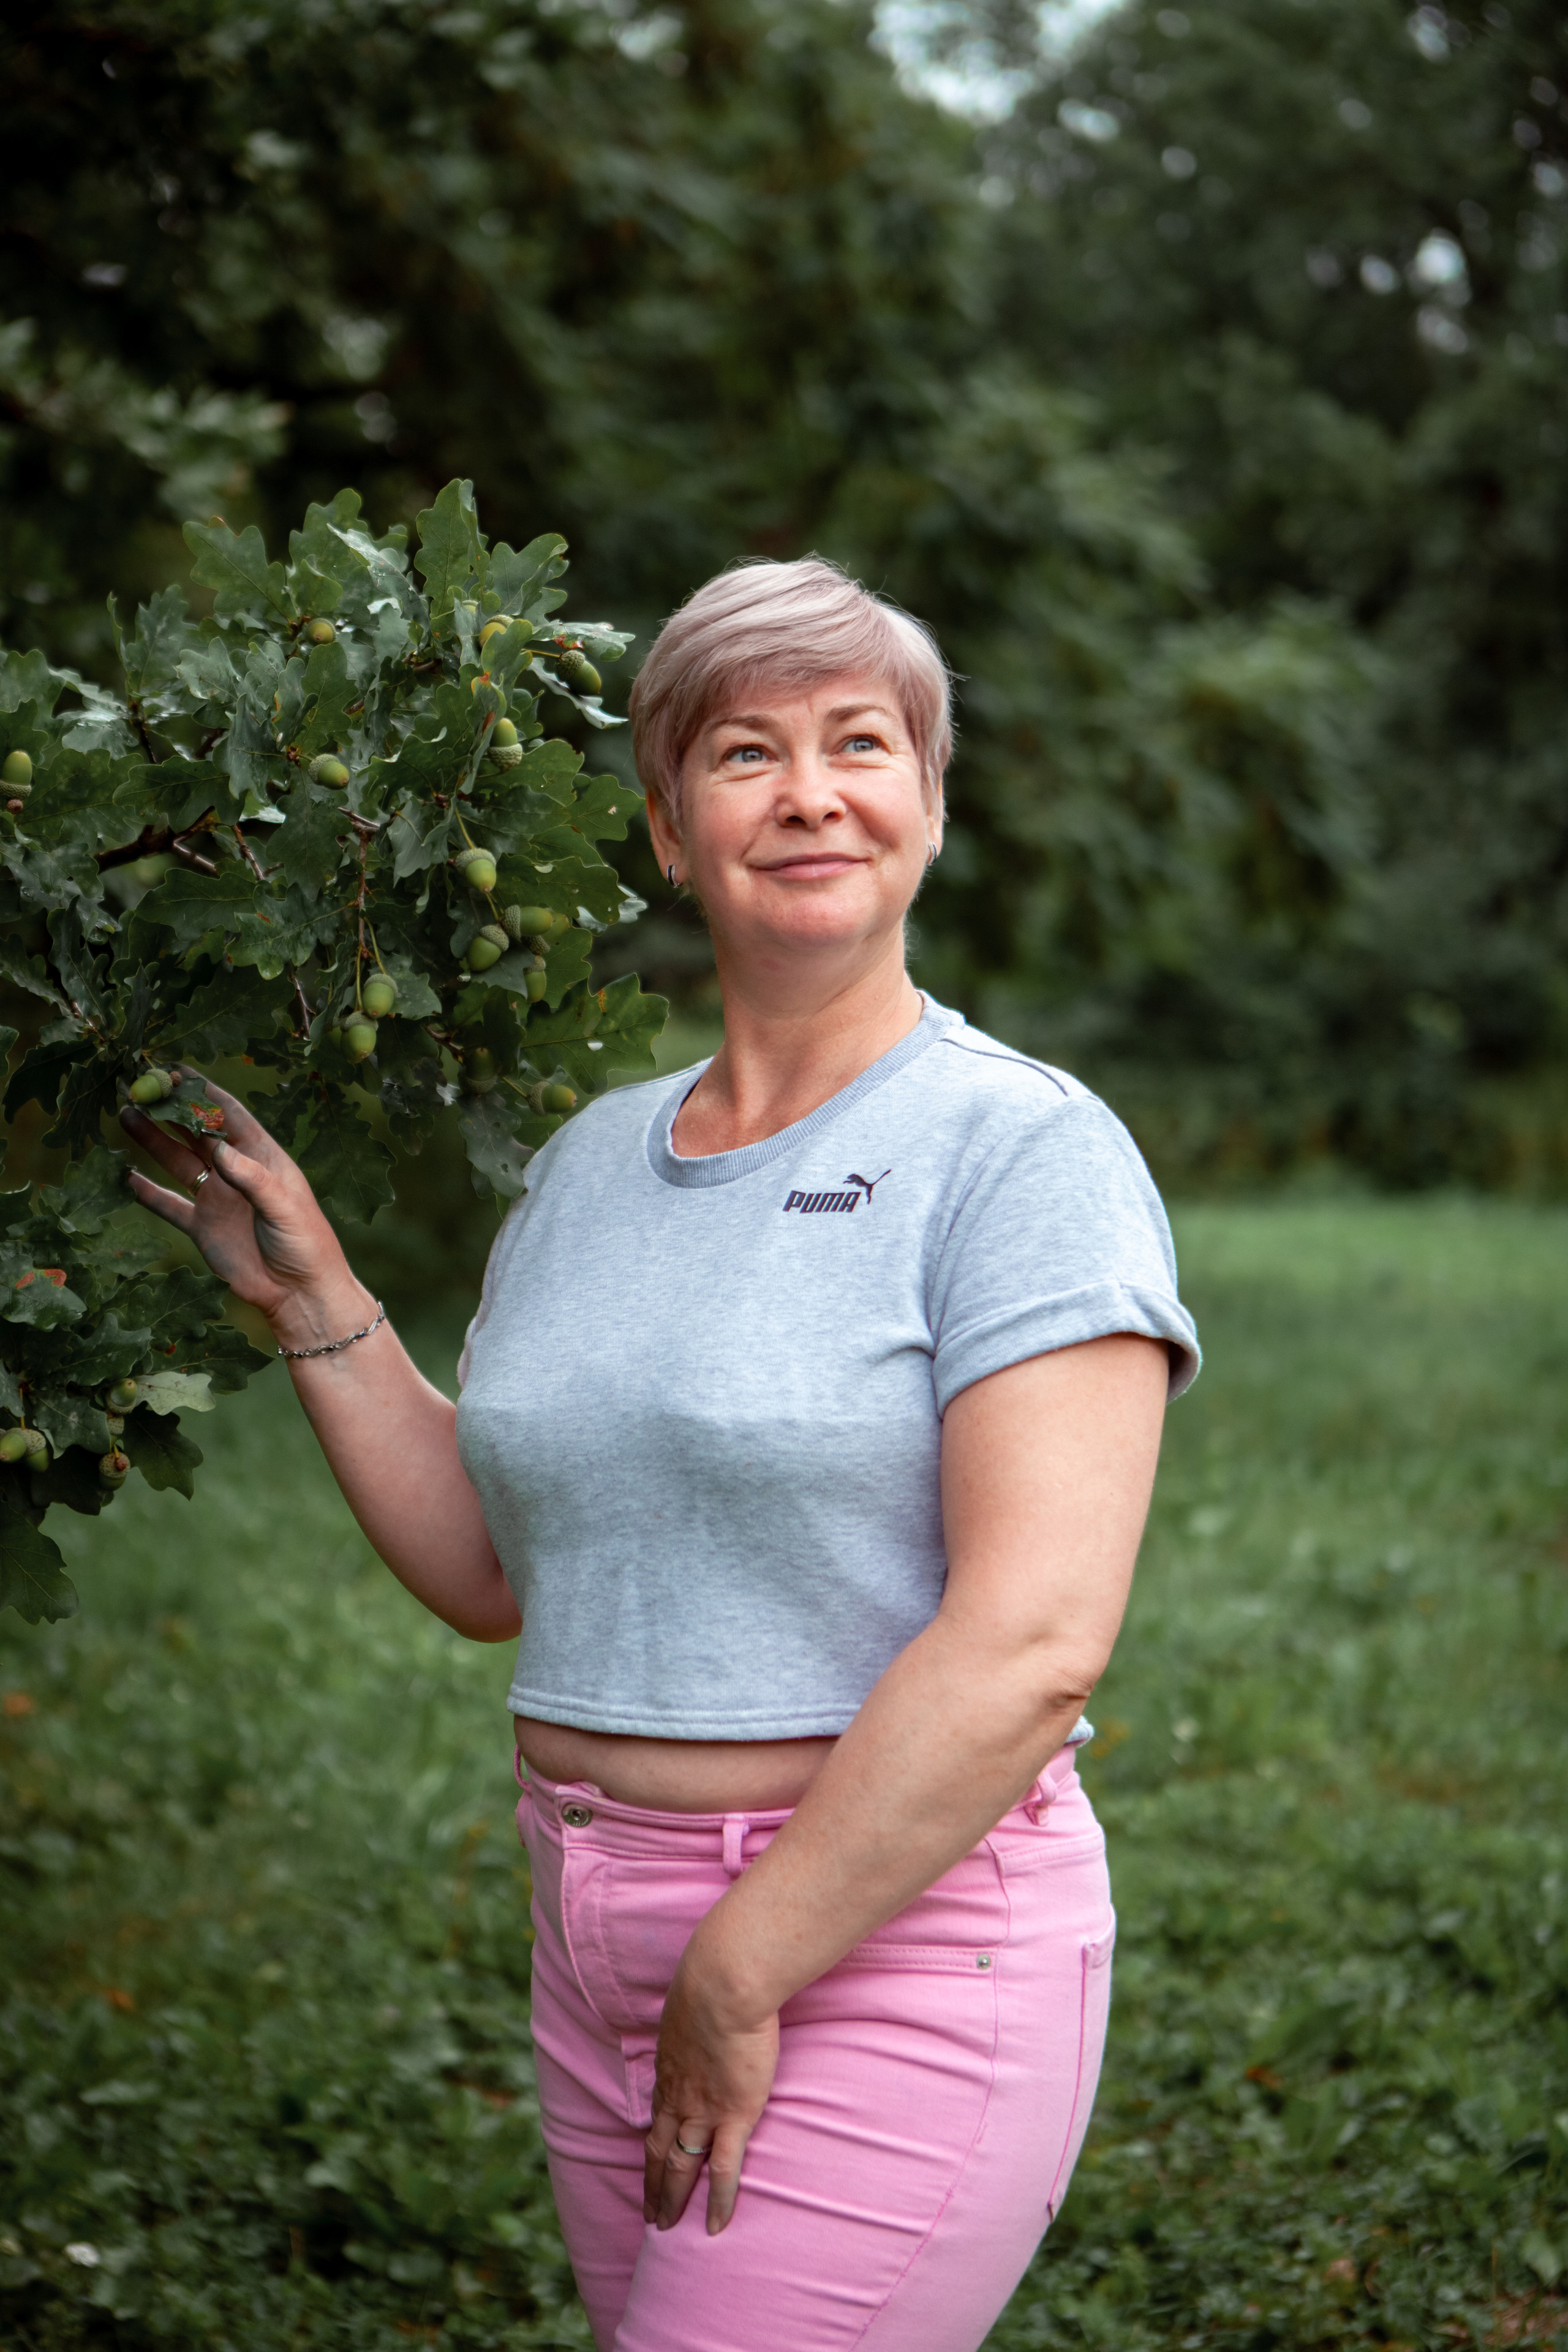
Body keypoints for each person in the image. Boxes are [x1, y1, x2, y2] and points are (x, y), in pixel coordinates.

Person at [123, 555, 1199, 2352]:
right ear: (668, 828)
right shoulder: (590, 1164)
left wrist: (748, 1954)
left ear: (929, 803)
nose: (809, 793)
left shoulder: (1019, 1152)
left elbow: (1035, 1643)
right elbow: (493, 1567)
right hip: (592, 1935)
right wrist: (315, 1297)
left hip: (877, 1940)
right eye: (743, 754)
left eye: (863, 743)